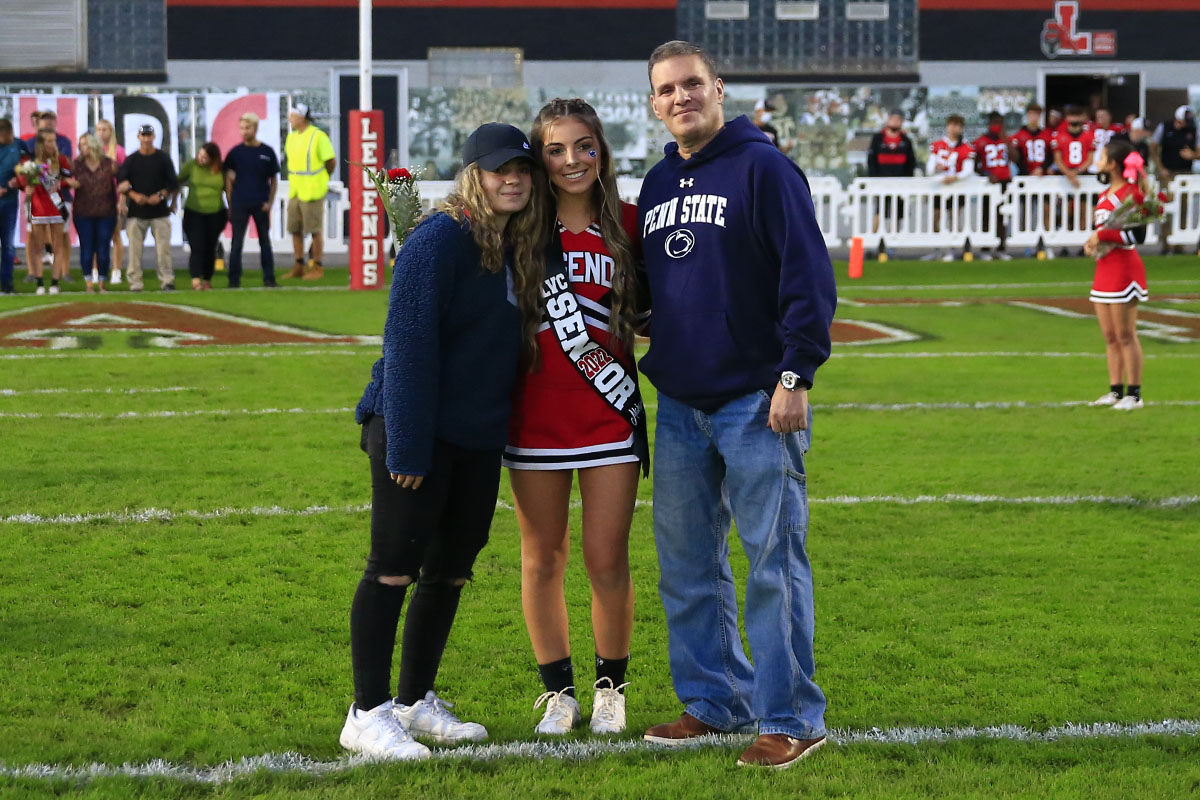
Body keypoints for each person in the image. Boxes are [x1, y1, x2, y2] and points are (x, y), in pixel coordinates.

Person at [637, 40, 837, 770]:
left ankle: (792, 717)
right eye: (667, 89)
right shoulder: (657, 184)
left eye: (692, 83)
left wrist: (795, 375)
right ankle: (716, 699)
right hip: (682, 402)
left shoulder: (765, 168)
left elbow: (807, 276)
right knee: (687, 566)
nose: (681, 96)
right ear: (654, 104)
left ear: (718, 89)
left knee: (773, 564)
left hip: (756, 399)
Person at [341, 123, 544, 761]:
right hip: (416, 433)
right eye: (496, 169)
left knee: (450, 573)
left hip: (478, 435)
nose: (511, 177)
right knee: (394, 568)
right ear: (472, 175)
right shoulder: (438, 239)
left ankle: (414, 701)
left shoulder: (518, 242)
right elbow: (407, 347)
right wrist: (405, 447)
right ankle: (366, 713)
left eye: (520, 168)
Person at [504, 98, 647, 736]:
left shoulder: (629, 221)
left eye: (584, 146)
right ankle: (559, 693)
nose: (571, 161)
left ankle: (610, 689)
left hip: (609, 416)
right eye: (556, 149)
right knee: (542, 558)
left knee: (607, 558)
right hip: (533, 418)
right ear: (540, 157)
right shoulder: (517, 228)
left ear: (602, 151)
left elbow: (654, 312)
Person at [1083, 139, 1151, 411]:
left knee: (1126, 334)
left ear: (1112, 164)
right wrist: (1092, 243)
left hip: (1125, 269)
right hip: (1104, 269)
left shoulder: (1134, 194)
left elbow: (1138, 235)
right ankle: (1115, 390)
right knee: (1110, 336)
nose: (1097, 161)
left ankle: (1134, 394)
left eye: (1101, 157)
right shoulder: (1104, 195)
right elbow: (1100, 230)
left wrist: (1102, 234)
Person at [117, 124, 179, 292]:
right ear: (138, 137)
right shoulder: (131, 160)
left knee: (163, 250)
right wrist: (133, 195)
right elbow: (121, 183)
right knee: (134, 251)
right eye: (143, 136)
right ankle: (135, 282)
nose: (146, 139)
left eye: (149, 135)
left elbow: (173, 182)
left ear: (153, 137)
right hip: (137, 212)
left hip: (159, 211)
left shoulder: (163, 158)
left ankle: (167, 280)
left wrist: (160, 195)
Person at [223, 112, 279, 288]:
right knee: (236, 243)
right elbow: (228, 181)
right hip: (240, 203)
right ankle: (233, 281)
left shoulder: (267, 152)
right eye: (241, 128)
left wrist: (269, 202)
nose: (244, 131)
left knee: (265, 242)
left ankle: (269, 278)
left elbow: (274, 180)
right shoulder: (235, 153)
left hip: (260, 203)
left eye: (247, 128)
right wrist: (231, 204)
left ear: (255, 128)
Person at [15, 130, 73, 295]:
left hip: (56, 202)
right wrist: (27, 187)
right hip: (38, 204)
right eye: (48, 141)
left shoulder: (61, 160)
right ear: (40, 143)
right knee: (37, 245)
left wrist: (61, 182)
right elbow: (22, 182)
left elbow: (69, 179)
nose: (52, 144)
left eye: (53, 140)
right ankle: (40, 282)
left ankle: (55, 282)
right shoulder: (30, 163)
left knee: (58, 244)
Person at [282, 104, 334, 280]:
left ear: (302, 117)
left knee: (314, 229)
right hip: (295, 190)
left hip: (312, 190)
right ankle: (299, 265)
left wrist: (322, 177)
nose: (290, 117)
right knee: (294, 228)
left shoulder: (317, 136)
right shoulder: (291, 137)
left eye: (293, 114)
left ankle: (317, 266)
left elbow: (330, 160)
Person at [71, 132, 119, 294]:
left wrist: (123, 200)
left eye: (84, 144)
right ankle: (88, 283)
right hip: (82, 212)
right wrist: (67, 182)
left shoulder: (109, 164)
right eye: (80, 144)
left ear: (93, 145)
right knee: (86, 247)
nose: (81, 147)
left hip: (107, 212)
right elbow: (55, 180)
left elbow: (123, 181)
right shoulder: (76, 164)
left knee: (103, 247)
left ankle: (102, 283)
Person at [178, 142, 229, 291]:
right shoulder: (192, 166)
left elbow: (228, 189)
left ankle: (207, 279)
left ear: (213, 159)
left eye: (205, 158)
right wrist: (173, 200)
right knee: (197, 246)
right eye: (199, 155)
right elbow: (178, 181)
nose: (200, 159)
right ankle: (195, 279)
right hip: (194, 212)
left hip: (216, 213)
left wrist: (231, 208)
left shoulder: (221, 169)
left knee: (210, 247)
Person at [1151, 106, 1196, 255]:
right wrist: (1160, 168)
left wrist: (1193, 155)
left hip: (1185, 173)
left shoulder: (1193, 130)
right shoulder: (1164, 127)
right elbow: (1153, 148)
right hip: (1167, 173)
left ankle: (1179, 245)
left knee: (1184, 208)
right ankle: (1167, 243)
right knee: (1167, 207)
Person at [973, 111, 1014, 260]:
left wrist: (1006, 140)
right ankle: (985, 248)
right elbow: (975, 165)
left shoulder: (1006, 140)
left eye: (1000, 123)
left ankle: (1001, 247)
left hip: (1004, 181)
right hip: (988, 184)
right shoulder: (981, 141)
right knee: (986, 215)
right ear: (990, 124)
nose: (997, 126)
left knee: (1002, 216)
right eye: (995, 123)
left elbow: (1015, 158)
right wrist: (986, 173)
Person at [0, 119, 29, 296]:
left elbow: (29, 170)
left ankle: (7, 283)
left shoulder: (20, 146)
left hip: (10, 203)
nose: (7, 139)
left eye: (9, 135)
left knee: (9, 245)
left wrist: (17, 181)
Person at [95, 119, 126, 285]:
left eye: (104, 129)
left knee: (115, 235)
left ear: (111, 131)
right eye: (99, 129)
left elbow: (124, 179)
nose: (101, 132)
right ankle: (95, 270)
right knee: (95, 237)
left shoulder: (119, 151)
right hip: (94, 200)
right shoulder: (92, 151)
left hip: (112, 199)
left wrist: (122, 200)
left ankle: (116, 271)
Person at [1011, 103, 1051, 177]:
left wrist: (1042, 168)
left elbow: (1050, 155)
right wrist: (1027, 172)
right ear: (1027, 115)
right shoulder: (1019, 135)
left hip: (1042, 175)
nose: (1034, 117)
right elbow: (1017, 157)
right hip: (1025, 174)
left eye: (1036, 114)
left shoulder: (1046, 134)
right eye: (1031, 114)